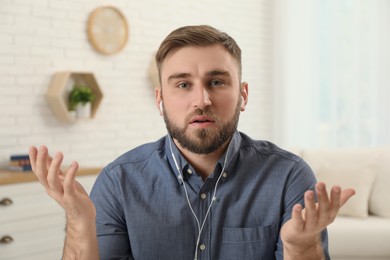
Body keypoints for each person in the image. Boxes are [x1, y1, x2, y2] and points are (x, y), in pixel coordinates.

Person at [29, 25, 355, 260]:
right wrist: (79, 221)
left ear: (242, 95)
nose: (202, 99)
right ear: (160, 100)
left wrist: (299, 247)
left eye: (216, 82)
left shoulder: (289, 177)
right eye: (183, 84)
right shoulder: (118, 182)